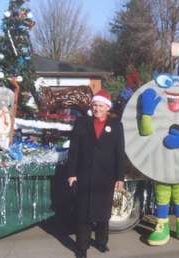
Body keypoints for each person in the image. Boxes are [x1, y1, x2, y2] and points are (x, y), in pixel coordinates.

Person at [67, 89, 125, 258]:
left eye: (100, 105)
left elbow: (119, 153)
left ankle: (101, 242)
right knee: (83, 214)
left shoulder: (116, 126)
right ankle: (82, 248)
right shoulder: (81, 123)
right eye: (94, 105)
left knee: (103, 214)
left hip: (106, 178)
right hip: (84, 176)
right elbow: (74, 151)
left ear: (107, 107)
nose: (97, 109)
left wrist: (119, 177)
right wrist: (71, 174)